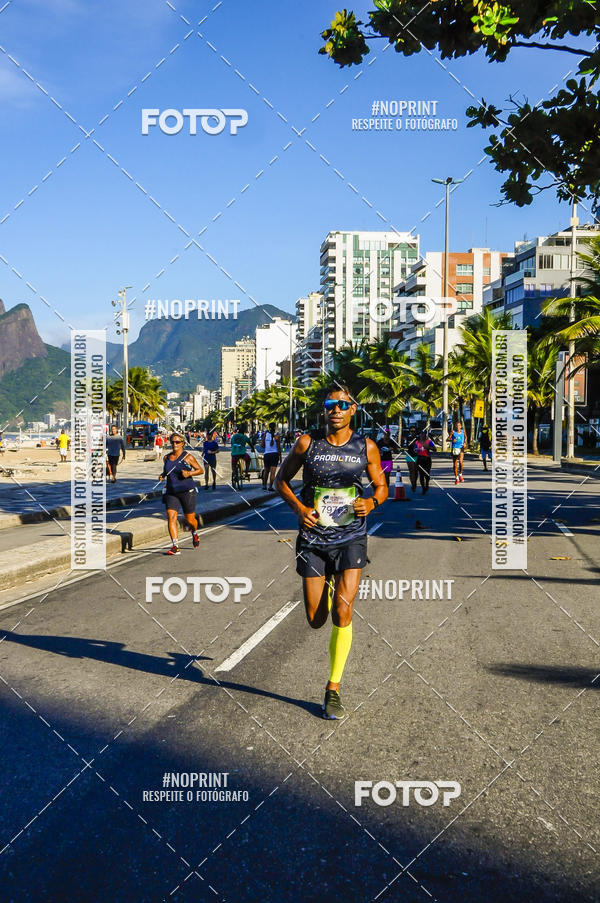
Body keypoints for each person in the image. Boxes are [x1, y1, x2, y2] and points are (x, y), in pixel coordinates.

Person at [275, 384, 387, 720]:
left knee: (343, 610)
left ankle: (333, 688)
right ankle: (323, 592)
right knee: (315, 619)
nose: (335, 410)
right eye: (330, 405)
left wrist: (372, 501)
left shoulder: (365, 447)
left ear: (353, 409)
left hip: (351, 537)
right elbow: (280, 481)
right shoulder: (308, 444)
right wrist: (298, 508)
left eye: (342, 404)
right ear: (323, 410)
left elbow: (380, 486)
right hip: (313, 539)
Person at [159, 432, 204, 555]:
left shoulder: (188, 457)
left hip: (187, 491)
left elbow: (200, 470)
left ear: (182, 443)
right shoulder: (166, 458)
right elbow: (167, 471)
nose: (175, 444)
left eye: (177, 442)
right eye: (172, 442)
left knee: (190, 520)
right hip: (171, 492)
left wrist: (189, 474)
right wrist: (162, 475)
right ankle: (175, 546)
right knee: (171, 517)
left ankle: (194, 533)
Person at [262, 422, 281, 491]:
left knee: (266, 471)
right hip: (274, 455)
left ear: (269, 427)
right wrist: (280, 457)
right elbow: (279, 448)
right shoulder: (277, 436)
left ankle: (264, 486)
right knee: (273, 472)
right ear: (275, 428)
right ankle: (270, 487)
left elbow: (262, 445)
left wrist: (267, 446)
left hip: (267, 454)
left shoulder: (265, 435)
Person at [448, 419, 466, 484]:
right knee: (455, 465)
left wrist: (465, 443)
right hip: (455, 449)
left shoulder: (463, 431)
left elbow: (466, 438)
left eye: (459, 425)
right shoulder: (453, 432)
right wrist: (452, 441)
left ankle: (460, 474)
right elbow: (447, 439)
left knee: (461, 462)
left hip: (461, 448)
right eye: (457, 426)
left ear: (461, 426)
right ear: (455, 427)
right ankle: (456, 478)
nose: (458, 427)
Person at [404, 428, 419, 492]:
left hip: (417, 456)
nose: (413, 432)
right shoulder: (408, 438)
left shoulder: (418, 439)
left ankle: (415, 482)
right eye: (411, 431)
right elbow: (405, 446)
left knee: (416, 471)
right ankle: (413, 484)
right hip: (409, 455)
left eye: (414, 431)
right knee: (411, 471)